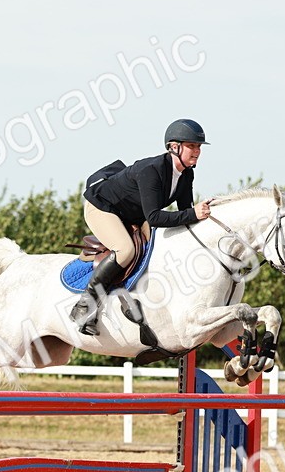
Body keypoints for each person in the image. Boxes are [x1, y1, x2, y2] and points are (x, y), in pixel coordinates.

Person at [71, 118, 213, 336]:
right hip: (103, 208)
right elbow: (156, 217)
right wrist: (193, 213)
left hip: (134, 214)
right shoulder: (152, 170)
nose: (197, 151)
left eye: (199, 147)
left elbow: (185, 211)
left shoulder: (186, 174)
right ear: (174, 147)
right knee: (126, 250)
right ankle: (84, 305)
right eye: (192, 146)